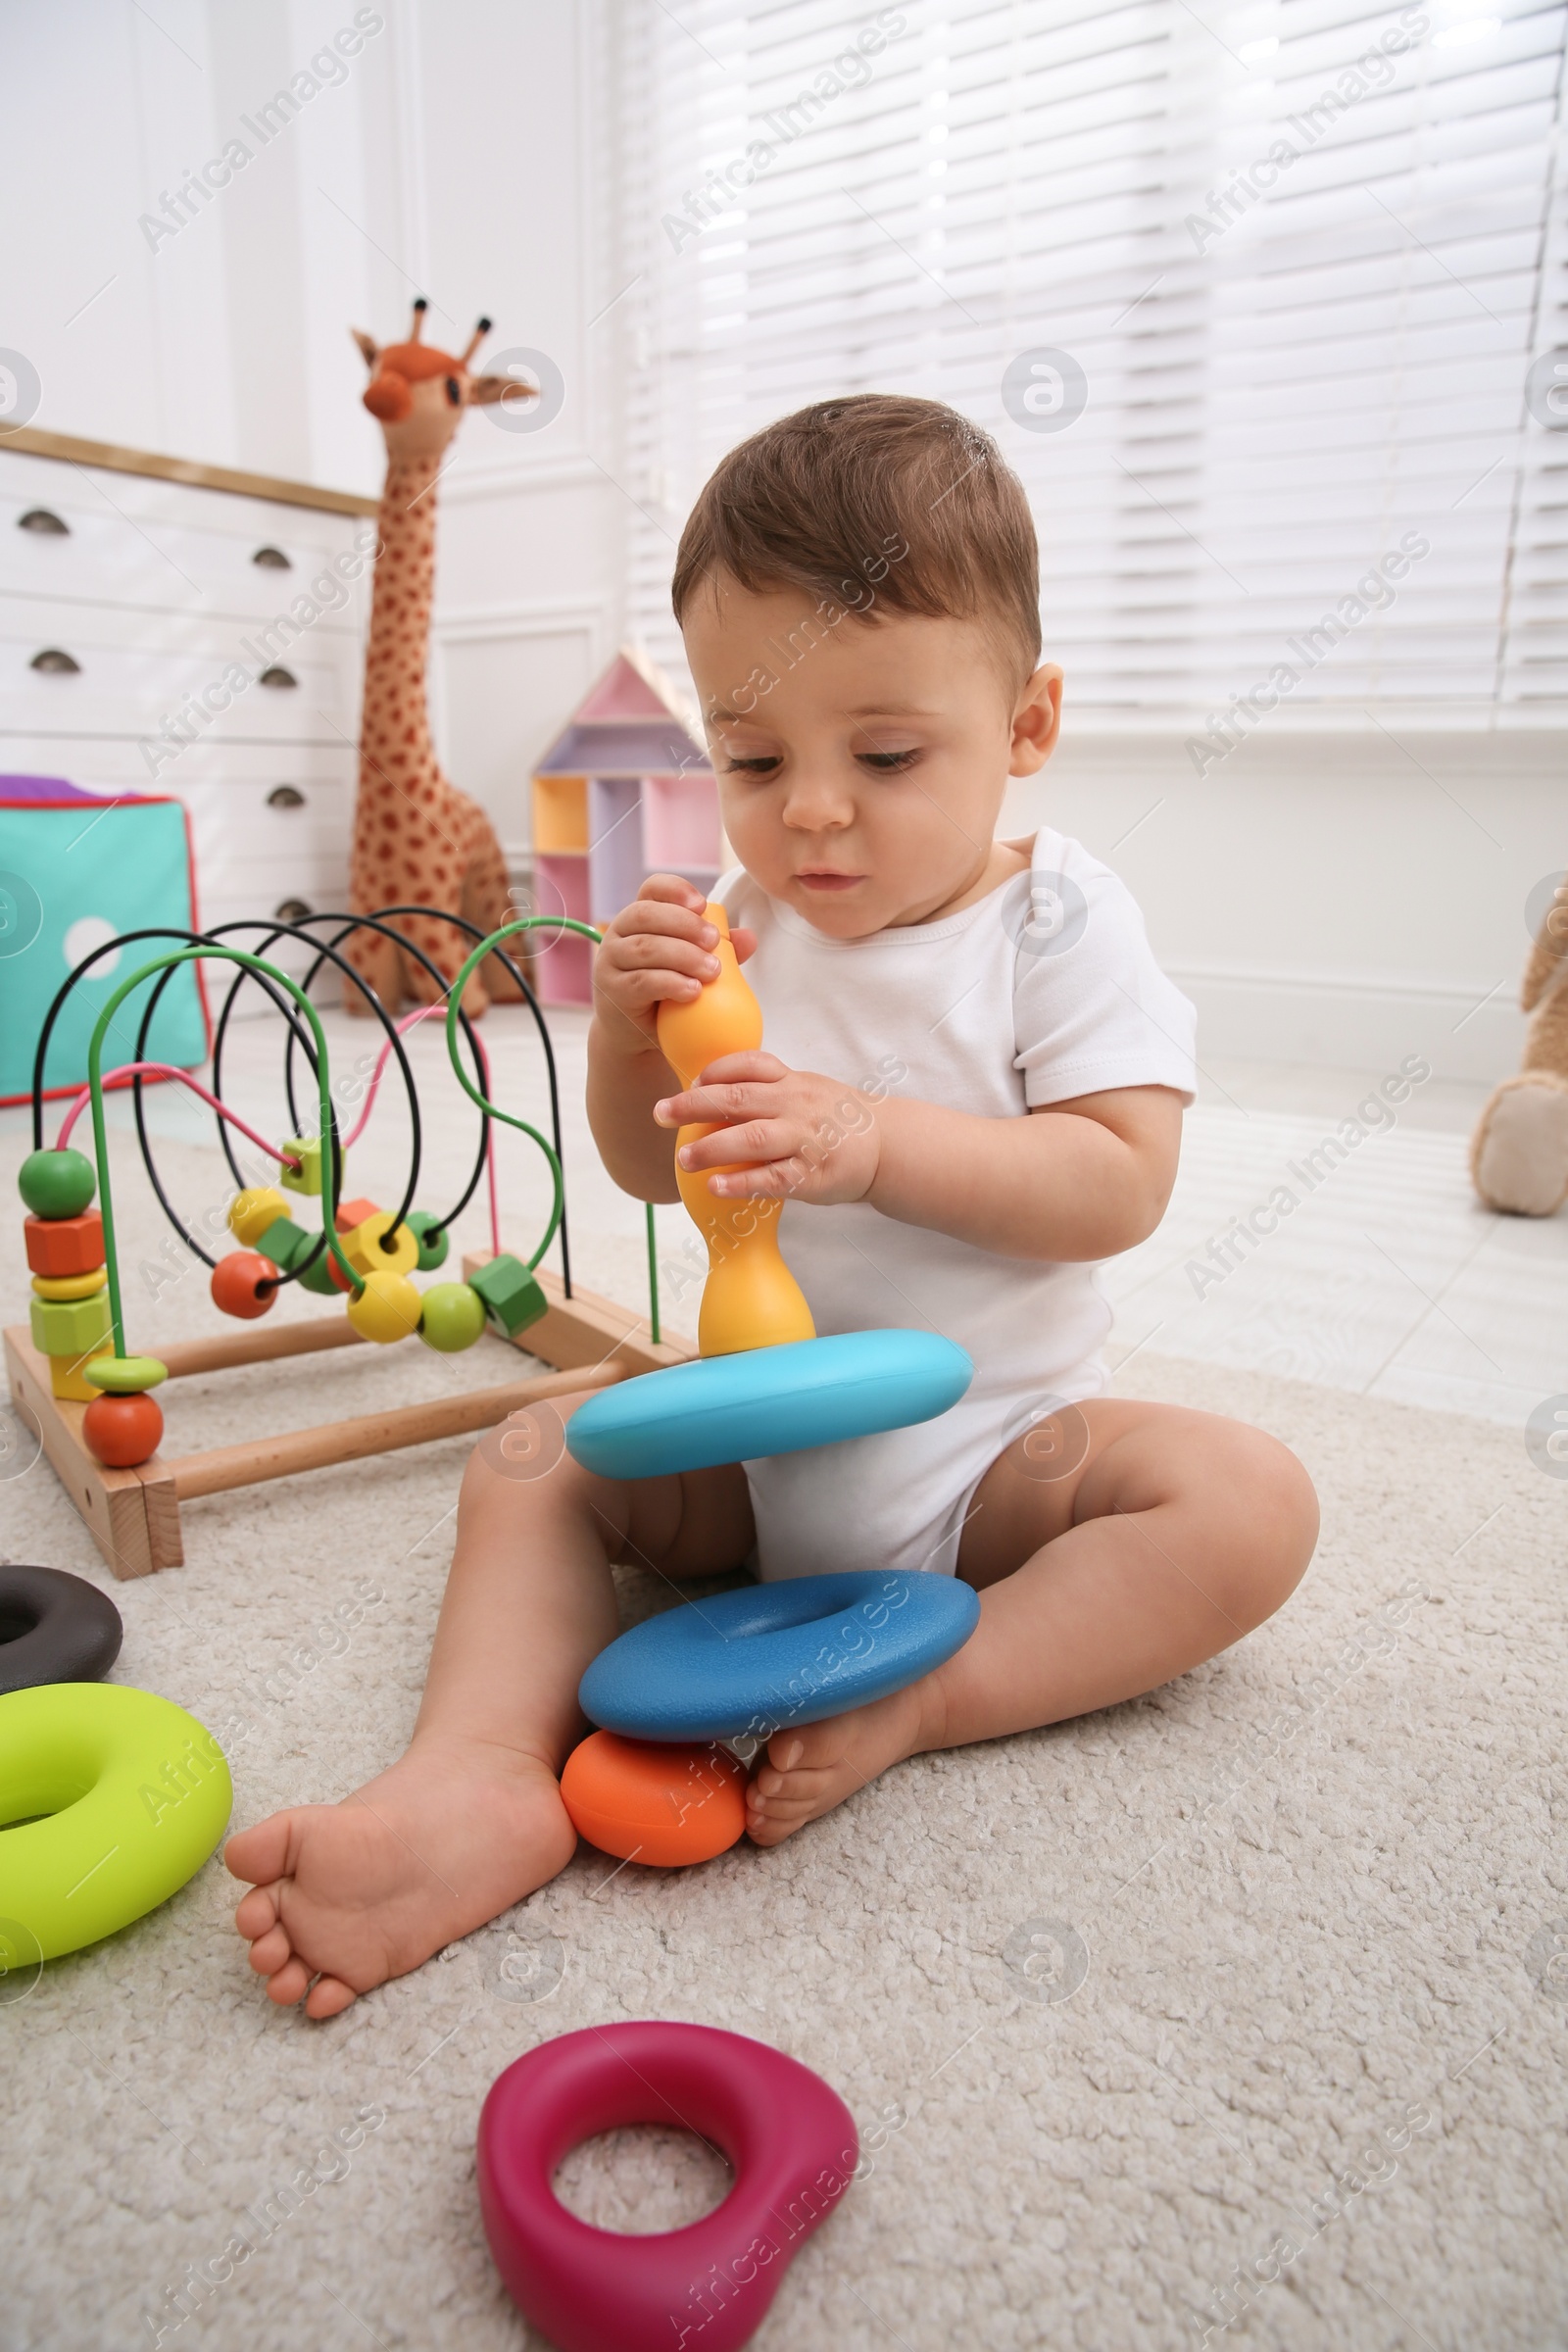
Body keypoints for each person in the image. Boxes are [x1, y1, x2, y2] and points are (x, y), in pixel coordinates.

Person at [227, 395, 1318, 2017]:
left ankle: (934, 1694)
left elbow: (1116, 1185)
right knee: (531, 1460)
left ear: (1027, 725)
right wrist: (617, 1031)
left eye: (884, 755)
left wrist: (875, 1142)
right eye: (751, 757)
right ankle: (479, 1778)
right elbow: (640, 1164)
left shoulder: (1059, 925)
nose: (809, 808)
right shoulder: (739, 926)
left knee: (1246, 1500)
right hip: (751, 1448)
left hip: (995, 1461)